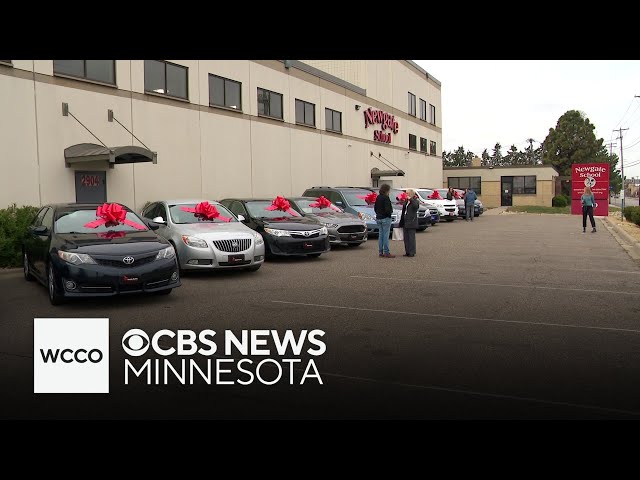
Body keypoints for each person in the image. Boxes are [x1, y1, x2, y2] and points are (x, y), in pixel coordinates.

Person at [374, 184, 395, 258]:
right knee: (386, 235)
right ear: (387, 190)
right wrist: (390, 213)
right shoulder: (386, 198)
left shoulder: (378, 197)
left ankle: (380, 252)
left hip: (379, 217)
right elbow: (388, 209)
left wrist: (378, 214)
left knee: (381, 235)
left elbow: (375, 208)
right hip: (385, 218)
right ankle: (386, 252)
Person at [399, 188, 419, 257]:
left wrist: (411, 199)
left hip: (412, 221)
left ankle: (412, 252)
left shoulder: (415, 200)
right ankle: (407, 251)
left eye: (407, 193)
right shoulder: (406, 201)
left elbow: (416, 207)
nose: (406, 194)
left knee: (411, 238)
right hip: (405, 220)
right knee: (406, 238)